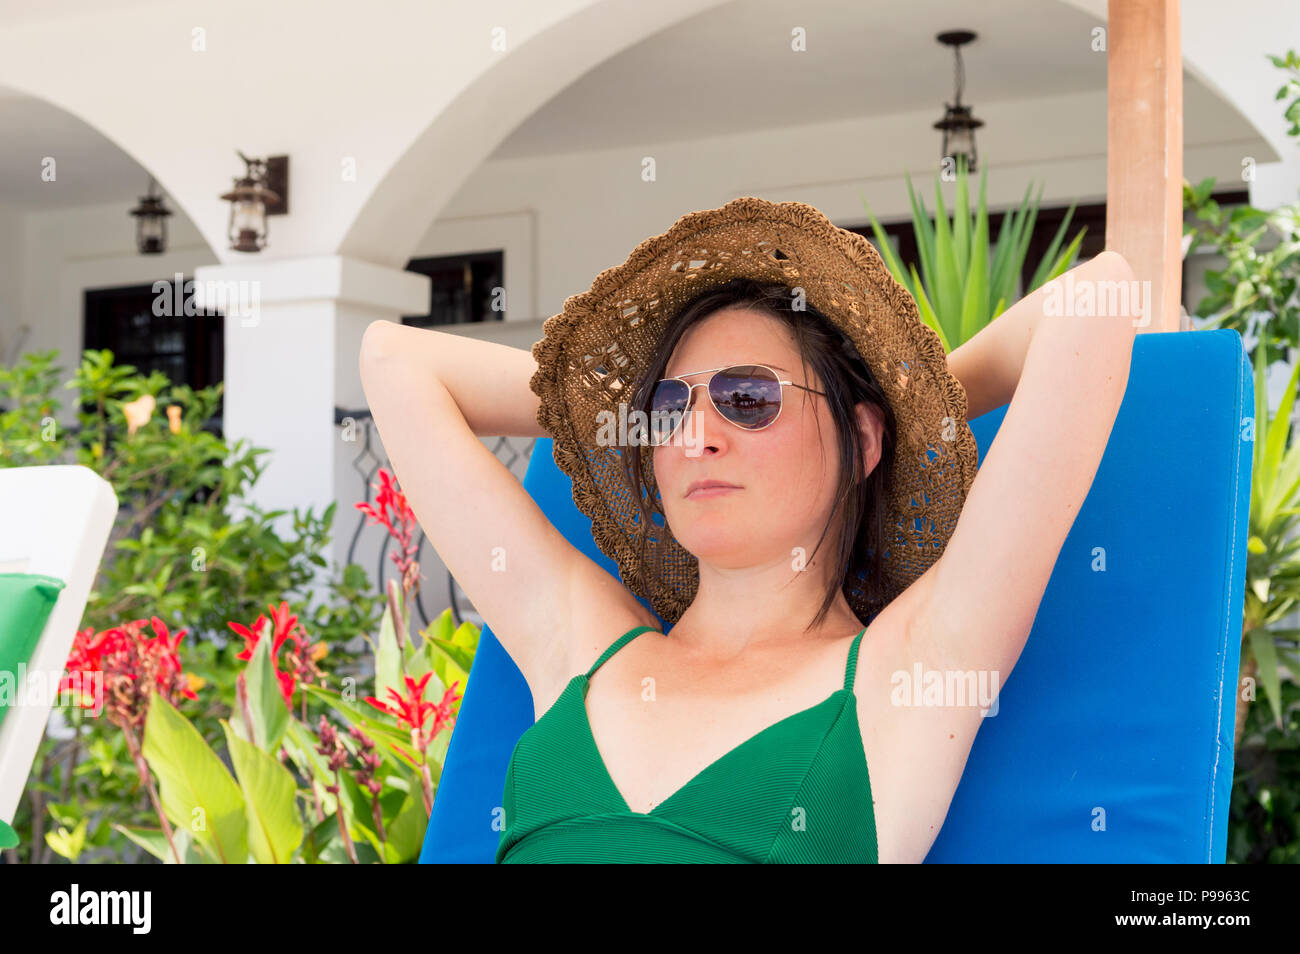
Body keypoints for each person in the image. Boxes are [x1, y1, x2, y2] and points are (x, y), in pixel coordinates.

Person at [359, 196, 1138, 863]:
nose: (696, 436)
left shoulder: (910, 672)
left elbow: (1096, 300)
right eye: (669, 408)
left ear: (861, 441)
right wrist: (615, 412)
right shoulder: (580, 646)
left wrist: (901, 415)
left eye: (747, 398)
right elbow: (393, 360)